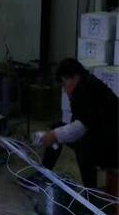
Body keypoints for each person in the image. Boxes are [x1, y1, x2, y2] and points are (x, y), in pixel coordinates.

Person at [36, 58, 118, 189]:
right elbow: (80, 123)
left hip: (113, 146)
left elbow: (80, 128)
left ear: (75, 77)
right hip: (102, 136)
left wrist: (54, 136)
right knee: (57, 128)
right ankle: (43, 174)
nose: (64, 89)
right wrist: (55, 134)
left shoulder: (89, 90)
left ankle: (90, 194)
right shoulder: (84, 86)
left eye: (65, 84)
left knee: (83, 148)